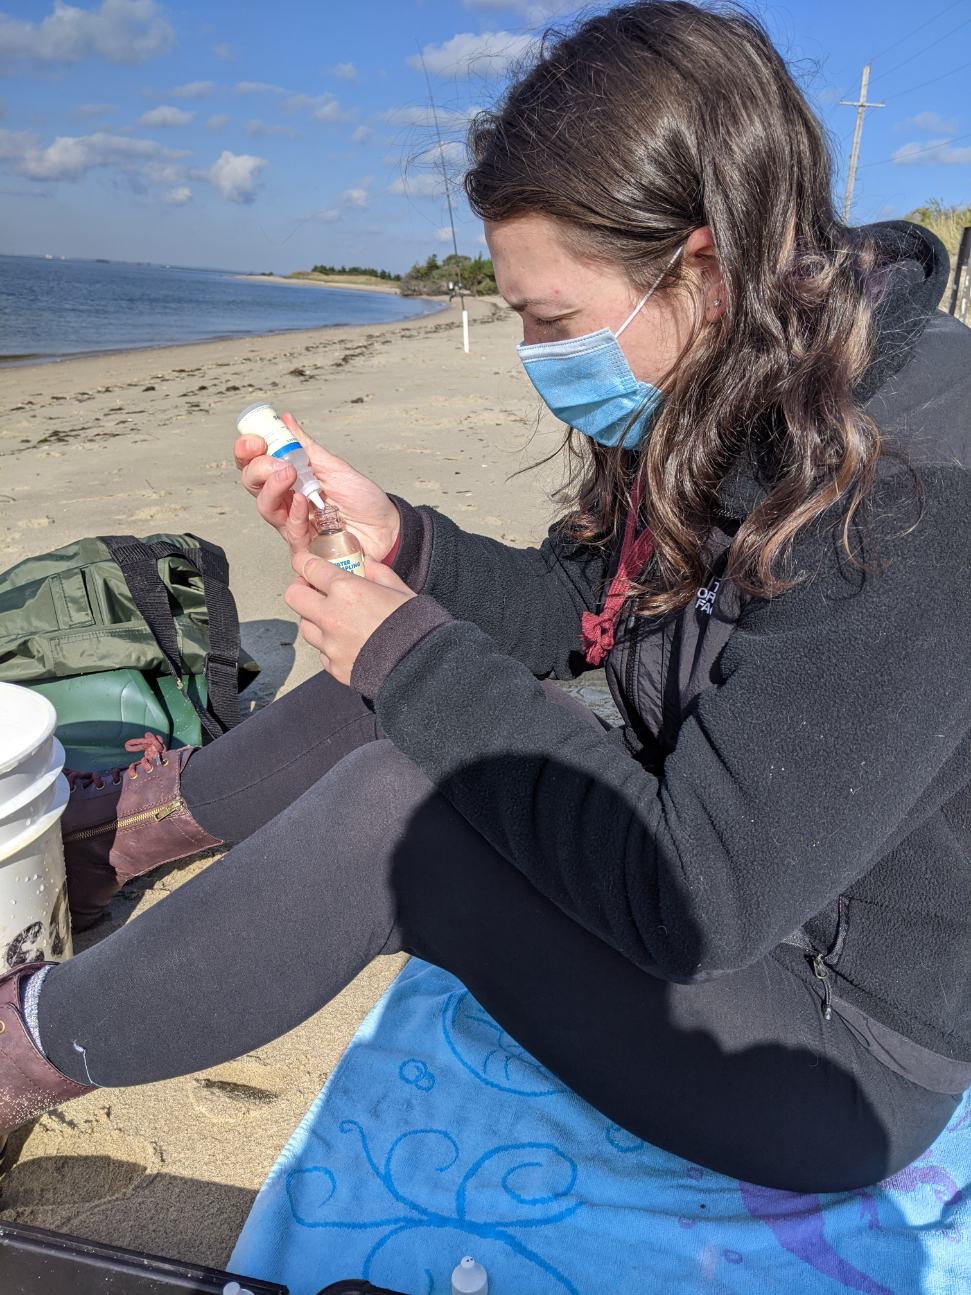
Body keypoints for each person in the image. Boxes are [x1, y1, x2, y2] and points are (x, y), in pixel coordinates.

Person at [1, 0, 969, 1195]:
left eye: (550, 320)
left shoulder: (915, 496)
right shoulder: (754, 365)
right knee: (414, 679)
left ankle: (27, 1049)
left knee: (416, 794)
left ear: (700, 265)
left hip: (836, 1039)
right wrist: (403, 545)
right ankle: (124, 838)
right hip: (719, 860)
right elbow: (592, 607)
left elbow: (704, 899)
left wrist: (406, 655)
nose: (533, 354)